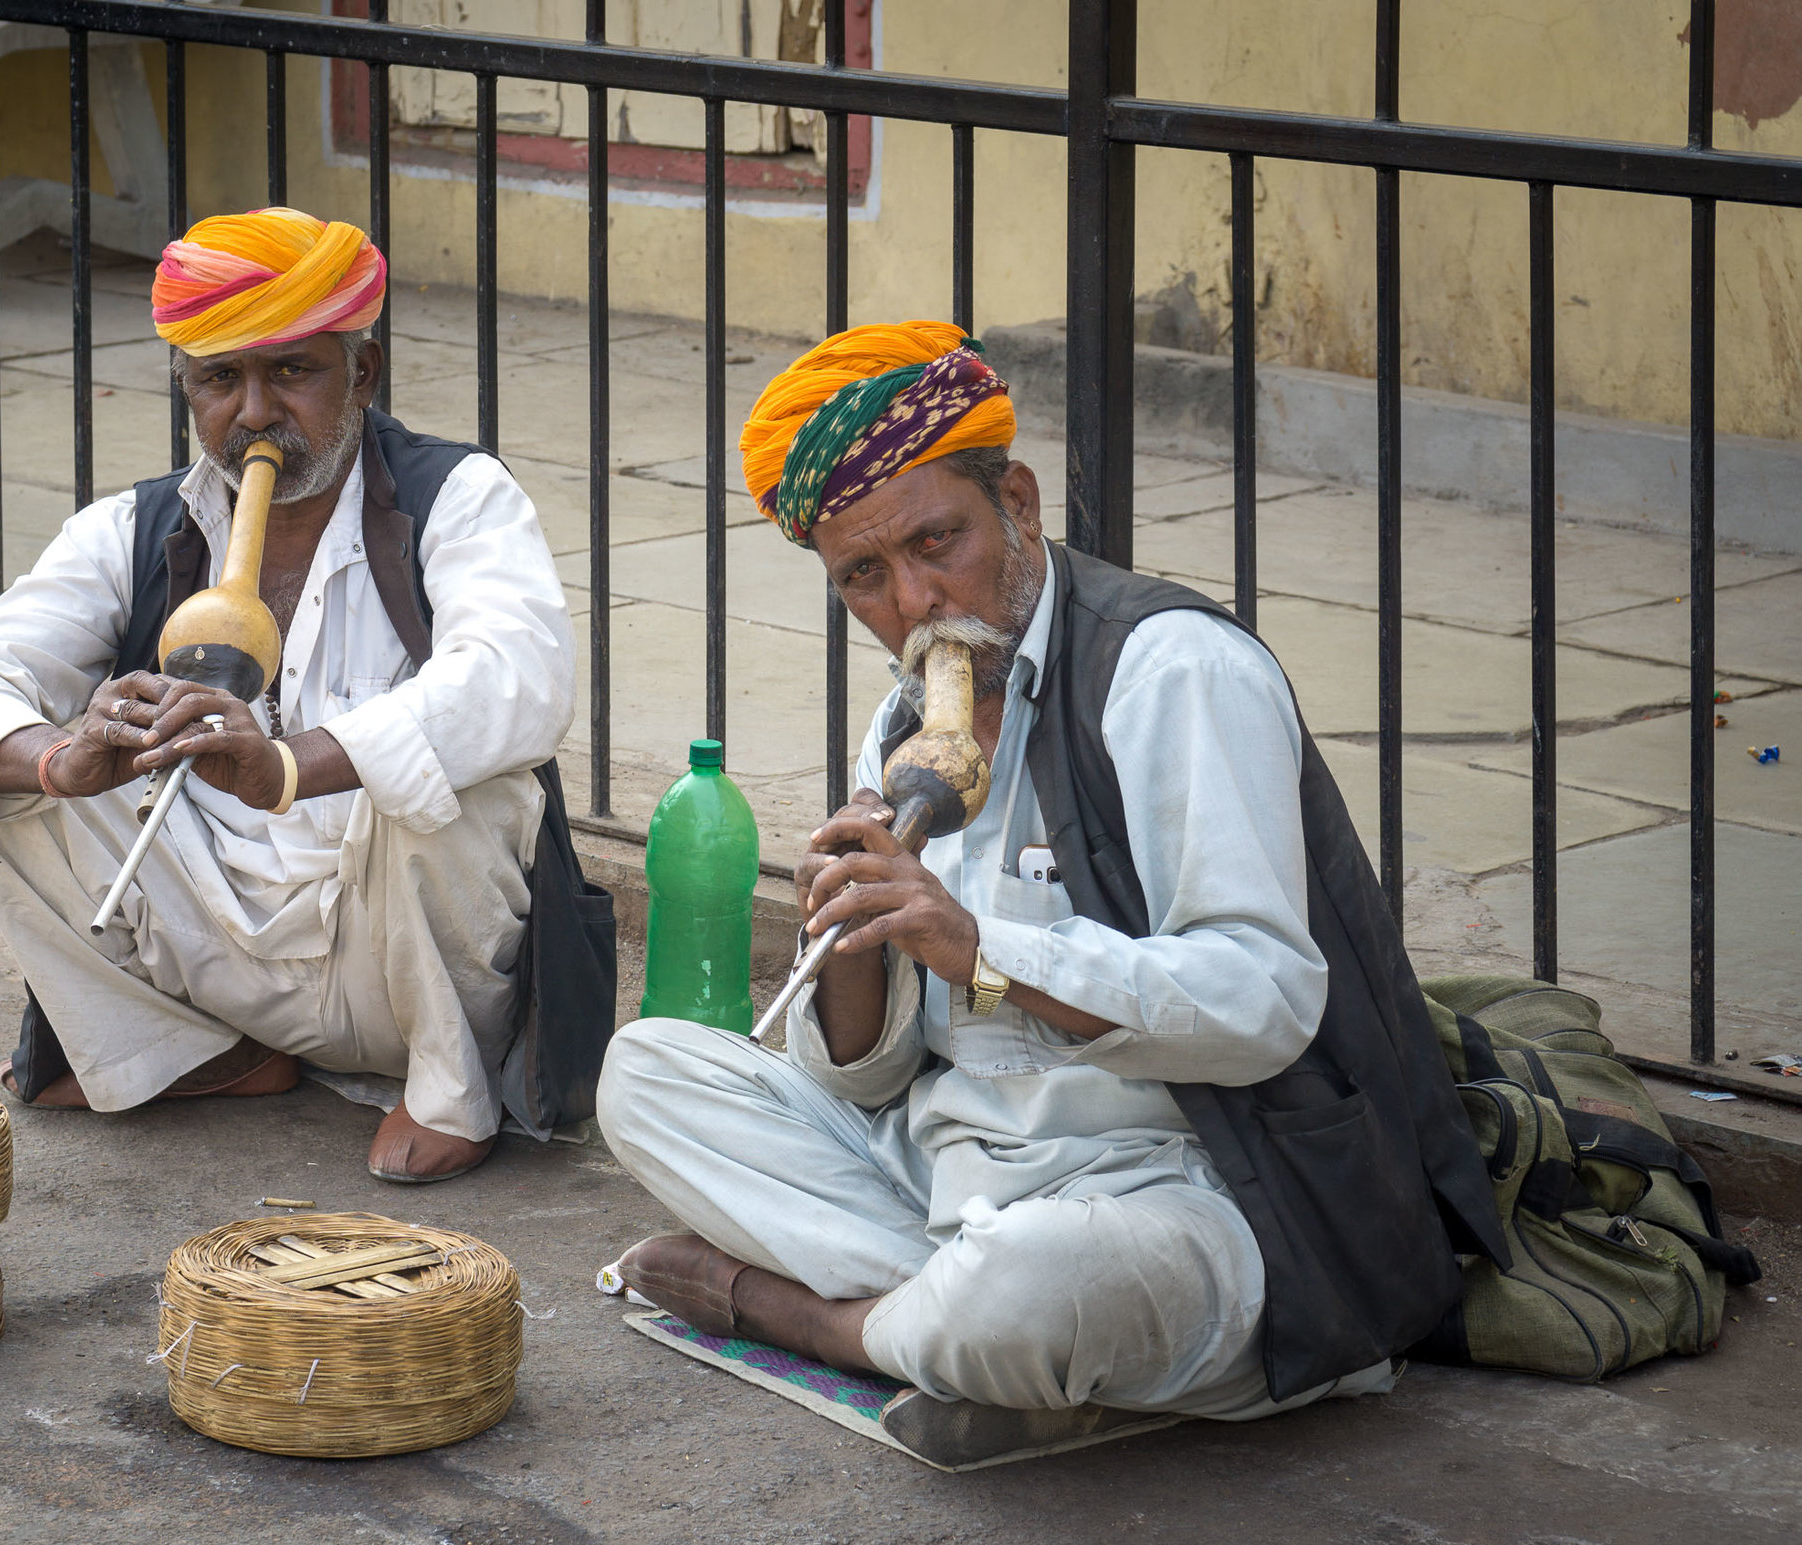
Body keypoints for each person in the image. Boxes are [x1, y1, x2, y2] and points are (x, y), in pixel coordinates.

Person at [596, 323, 1500, 1465]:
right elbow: (871, 1081)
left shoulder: (1169, 671)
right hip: (945, 1177)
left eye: (938, 541)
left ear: (1016, 503)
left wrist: (982, 946)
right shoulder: (907, 720)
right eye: (863, 576)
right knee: (646, 1071)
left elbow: (1265, 999)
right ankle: (964, 1326)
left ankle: (821, 1317)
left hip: (1188, 1192)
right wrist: (865, 945)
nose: (915, 598)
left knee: (1039, 1278)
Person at [0, 207, 577, 1183]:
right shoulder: (135, 528)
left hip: (396, 957)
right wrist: (66, 758)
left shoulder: (458, 497)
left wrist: (287, 766)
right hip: (211, 945)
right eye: (221, 378)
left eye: (293, 372)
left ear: (363, 372)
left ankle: (449, 1087)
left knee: (469, 783)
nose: (254, 412)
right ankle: (199, 1054)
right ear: (189, 391)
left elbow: (521, 681)